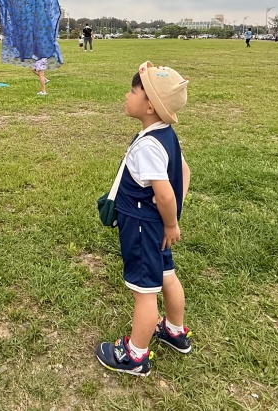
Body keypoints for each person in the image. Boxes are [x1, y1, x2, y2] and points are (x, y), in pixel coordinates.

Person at [96, 61, 191, 377]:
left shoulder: (147, 146)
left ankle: (135, 355)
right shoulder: (164, 133)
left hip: (142, 226)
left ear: (149, 104)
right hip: (156, 226)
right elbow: (184, 172)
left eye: (133, 89)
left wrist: (171, 220)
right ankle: (175, 331)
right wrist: (171, 218)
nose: (127, 94)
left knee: (144, 290)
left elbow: (164, 194)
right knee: (167, 275)